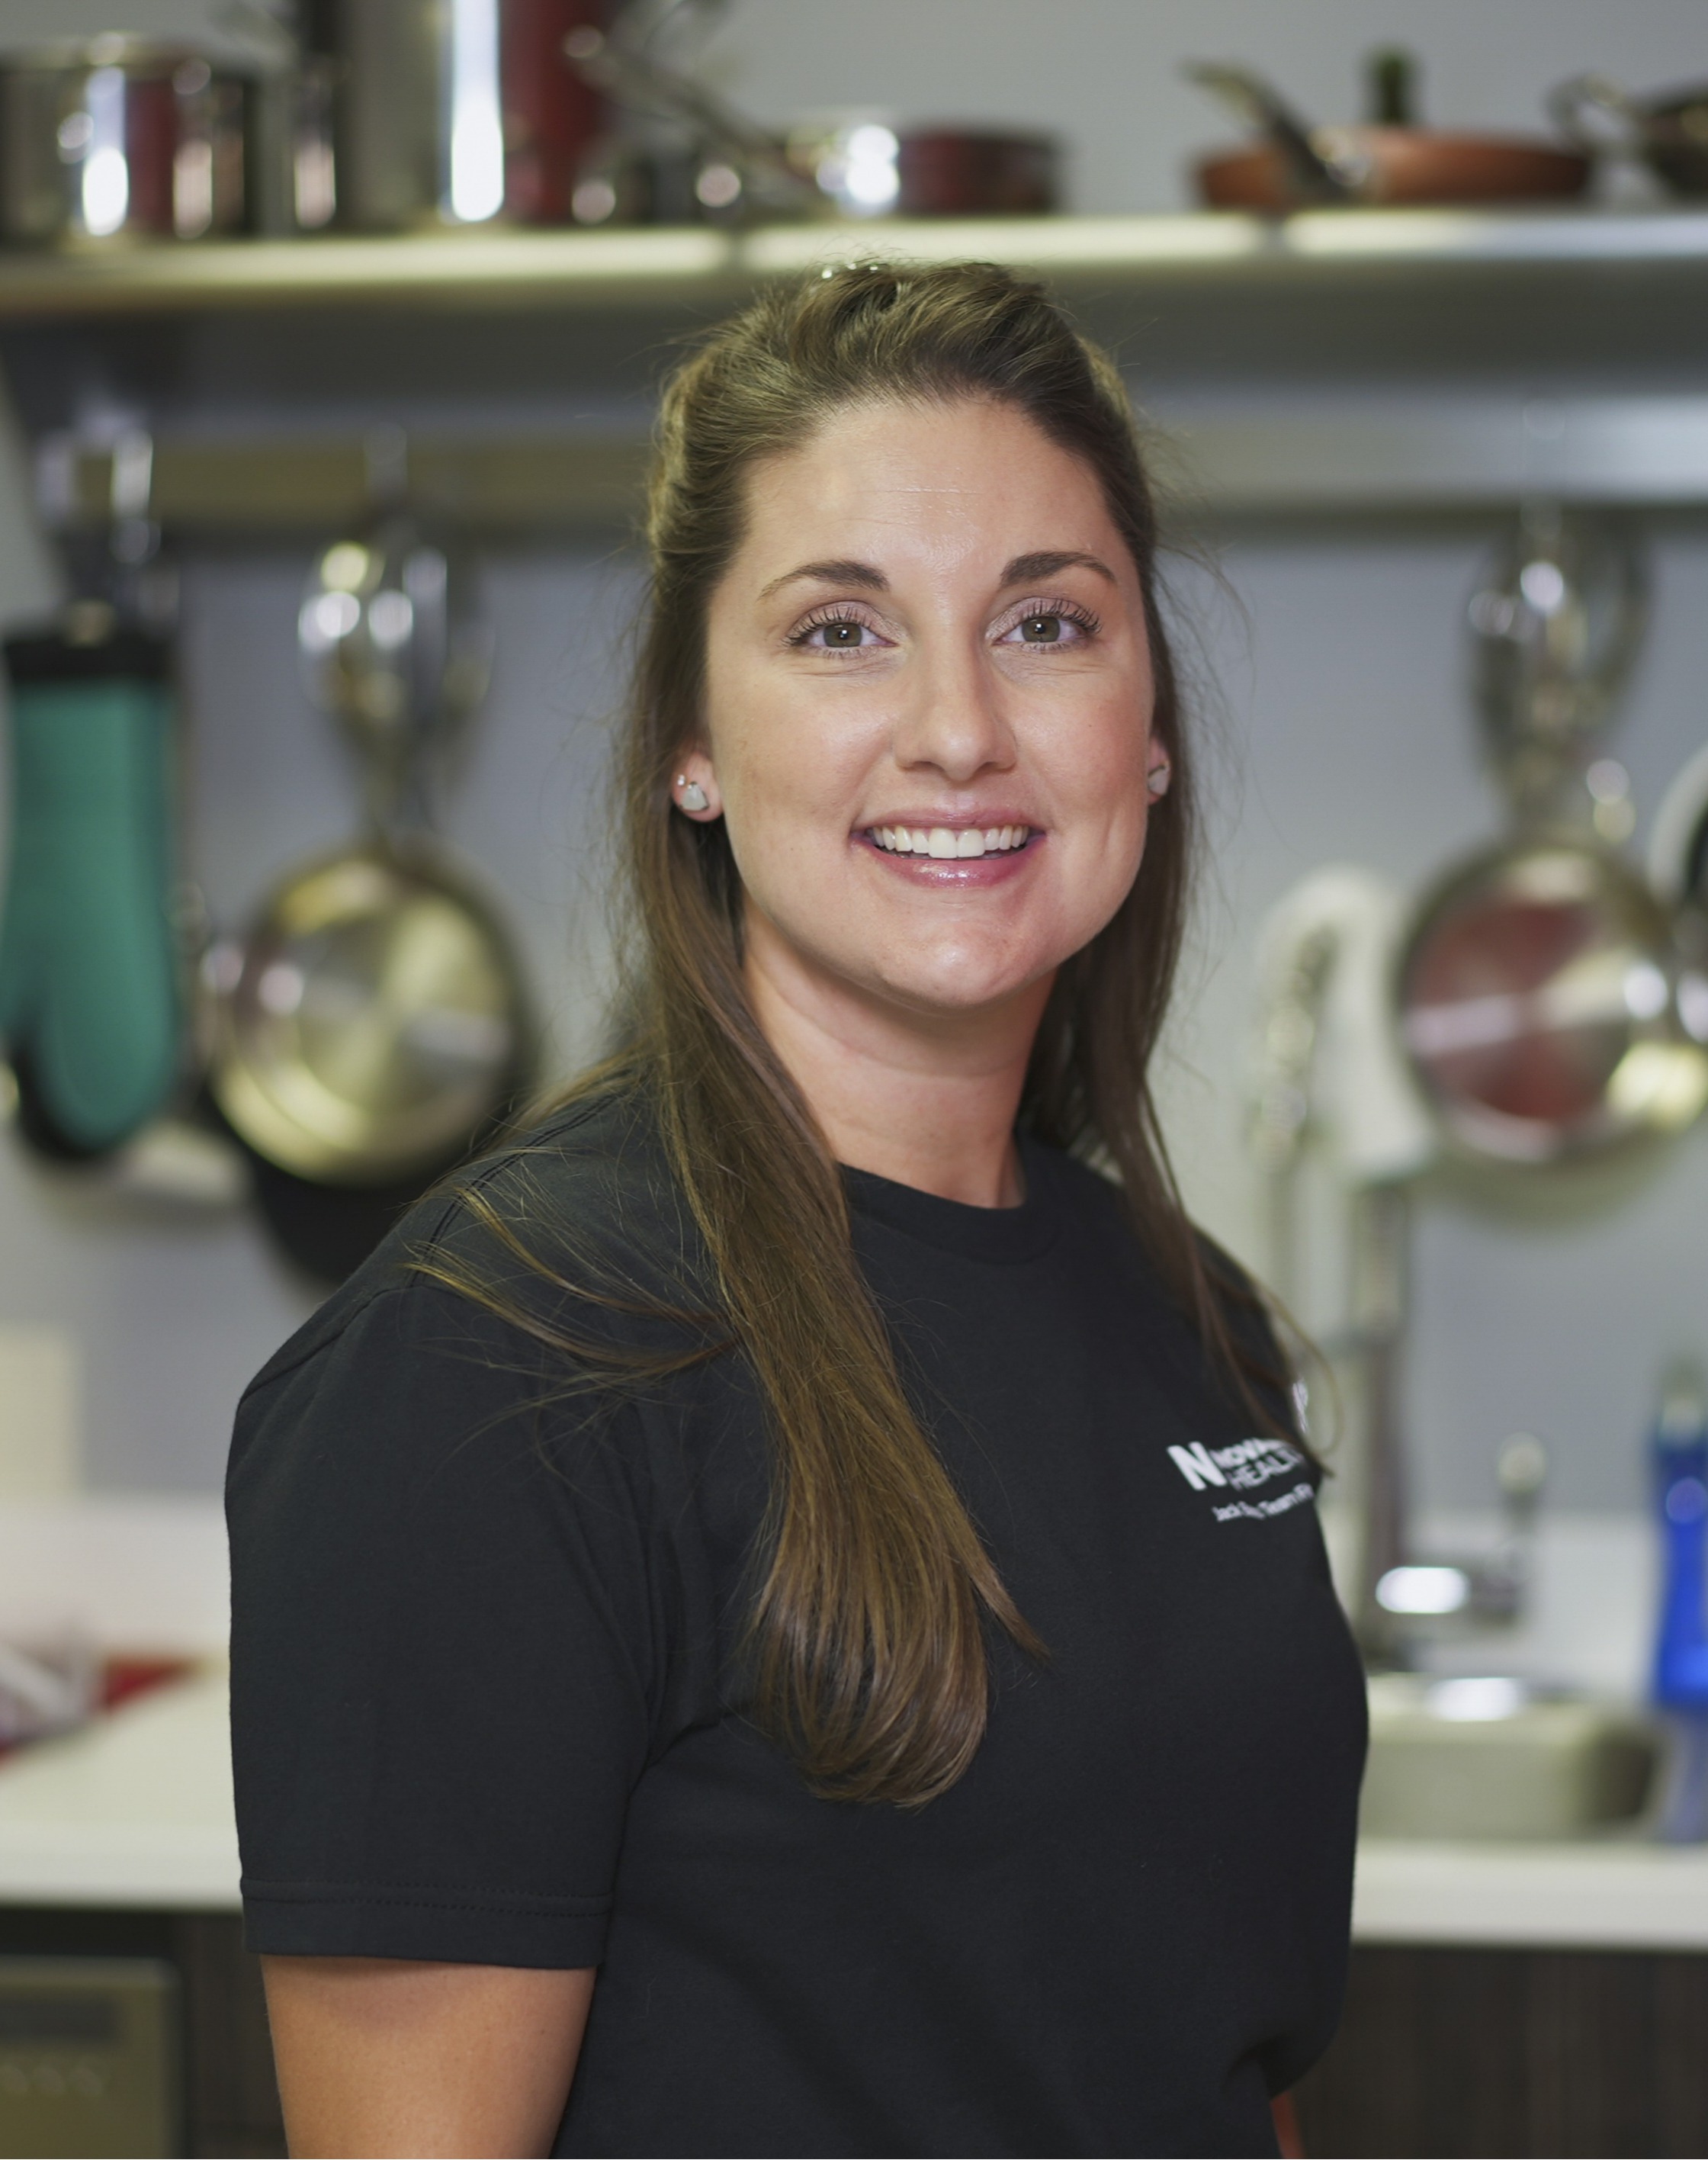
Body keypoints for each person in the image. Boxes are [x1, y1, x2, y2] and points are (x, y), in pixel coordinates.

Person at [227, 259, 1366, 2160]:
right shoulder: (496, 1368)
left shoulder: (1193, 1318)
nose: (955, 729)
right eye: (841, 632)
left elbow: (1219, 2066)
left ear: (1145, 731)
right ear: (690, 741)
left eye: (1048, 625)